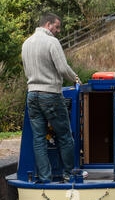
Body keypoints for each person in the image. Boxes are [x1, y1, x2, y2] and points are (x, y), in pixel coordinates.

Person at [22, 12, 81, 183]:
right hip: (50, 95)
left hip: (32, 94)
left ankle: (45, 178)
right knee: (64, 135)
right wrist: (76, 78)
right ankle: (69, 174)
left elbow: (27, 70)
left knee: (39, 139)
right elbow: (62, 68)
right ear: (48, 25)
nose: (59, 31)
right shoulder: (51, 42)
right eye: (57, 27)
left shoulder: (26, 43)